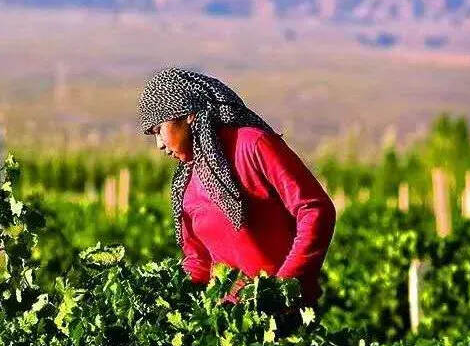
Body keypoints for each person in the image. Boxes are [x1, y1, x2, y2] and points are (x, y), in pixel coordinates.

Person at [138, 68, 336, 307]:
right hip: (230, 323)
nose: (159, 144)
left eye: (159, 130)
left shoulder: (253, 145)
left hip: (287, 313)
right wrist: (163, 297)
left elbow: (315, 210)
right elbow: (198, 261)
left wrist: (282, 287)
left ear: (188, 115)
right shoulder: (186, 180)